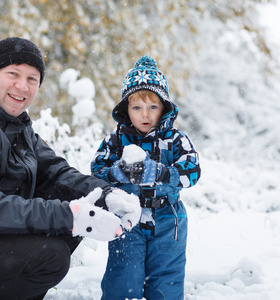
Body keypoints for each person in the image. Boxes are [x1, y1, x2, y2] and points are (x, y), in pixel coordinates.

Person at [0, 37, 141, 300]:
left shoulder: (13, 123)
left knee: (78, 202)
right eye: (13, 74)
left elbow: (56, 172)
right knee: (51, 255)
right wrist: (69, 216)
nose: (22, 86)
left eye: (32, 79)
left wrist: (106, 194)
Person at [91, 55, 201, 300]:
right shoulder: (116, 141)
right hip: (129, 217)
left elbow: (193, 171)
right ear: (126, 109)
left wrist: (163, 172)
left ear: (164, 108)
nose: (145, 115)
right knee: (123, 279)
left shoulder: (175, 139)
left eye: (153, 107)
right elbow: (96, 172)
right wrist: (115, 173)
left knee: (166, 283)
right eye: (137, 107)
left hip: (168, 219)